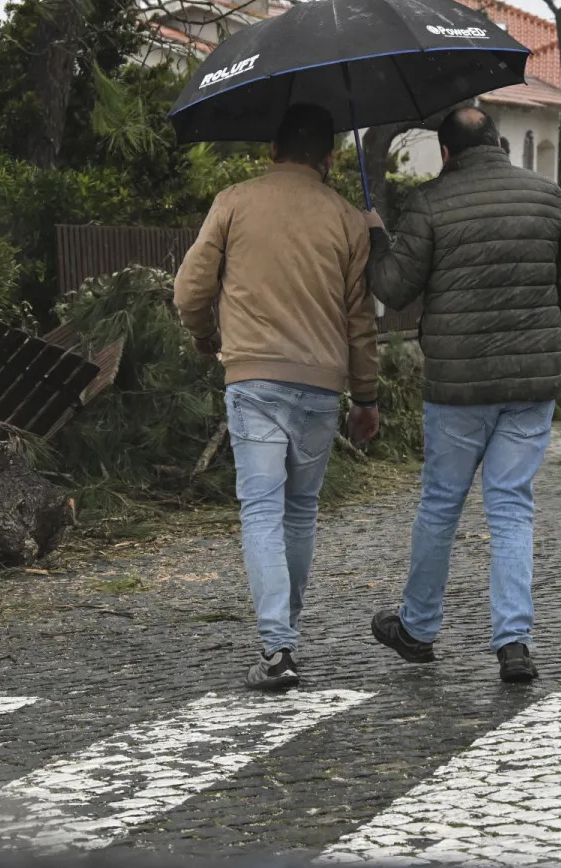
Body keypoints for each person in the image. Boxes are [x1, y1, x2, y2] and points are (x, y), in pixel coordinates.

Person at [362, 106, 561, 684]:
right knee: (511, 506)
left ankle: (417, 628)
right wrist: (536, 327)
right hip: (530, 384)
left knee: (442, 504)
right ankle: (514, 643)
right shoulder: (547, 197)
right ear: (500, 144)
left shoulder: (430, 203)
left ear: (445, 153)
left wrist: (376, 238)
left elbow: (394, 287)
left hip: (457, 388)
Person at [173, 103, 382, 690]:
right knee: (299, 513)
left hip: (254, 381)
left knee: (262, 510)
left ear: (272, 151)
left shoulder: (234, 201)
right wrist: (366, 397)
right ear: (329, 158)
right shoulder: (347, 219)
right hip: (321, 386)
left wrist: (206, 337)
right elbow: (360, 320)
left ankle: (277, 650)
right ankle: (284, 633)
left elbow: (190, 290)